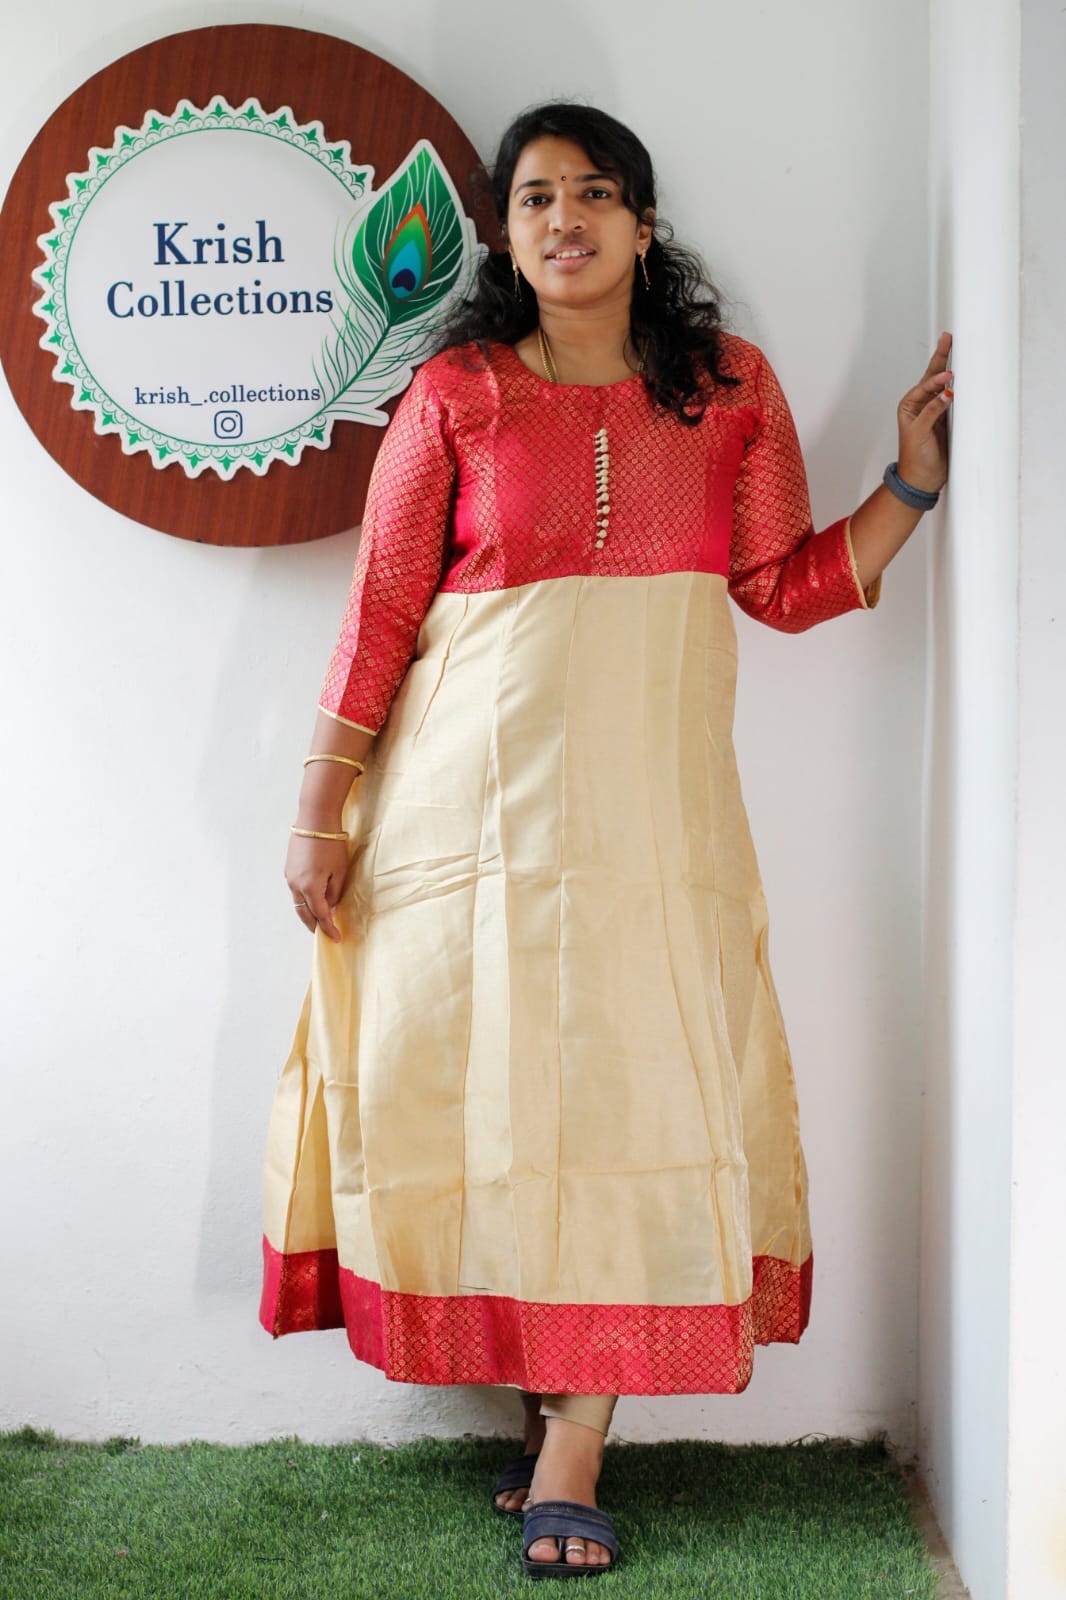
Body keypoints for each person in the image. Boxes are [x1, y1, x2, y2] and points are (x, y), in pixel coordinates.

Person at [259, 100, 952, 1579]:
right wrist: (320, 814)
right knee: (490, 1094)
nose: (562, 219)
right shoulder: (456, 393)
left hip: (651, 815)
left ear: (642, 221)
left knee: (636, 1092)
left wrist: (908, 485)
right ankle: (548, 1415)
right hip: (461, 810)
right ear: (505, 237)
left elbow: (777, 586)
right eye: (533, 199)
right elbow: (381, 613)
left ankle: (575, 1445)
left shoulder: (726, 389)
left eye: (591, 193)